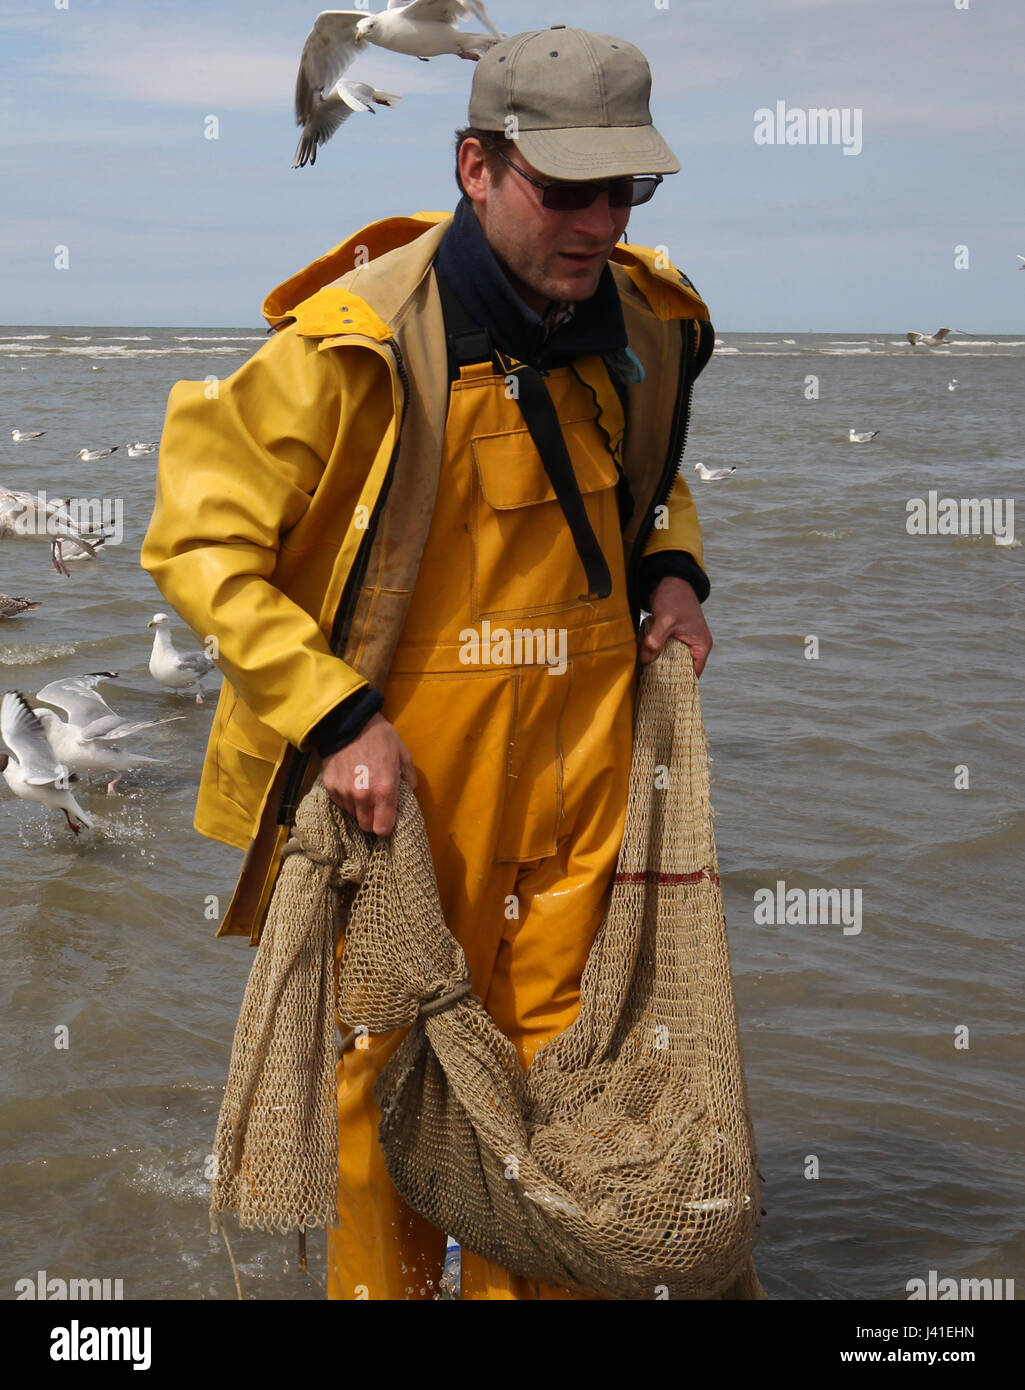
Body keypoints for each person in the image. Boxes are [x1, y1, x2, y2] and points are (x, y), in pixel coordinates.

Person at [142, 26, 717, 1300]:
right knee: (386, 1088)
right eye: (565, 188)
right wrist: (335, 717)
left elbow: (653, 482)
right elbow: (195, 540)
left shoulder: (639, 319)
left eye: (622, 190)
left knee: (568, 1090)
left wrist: (672, 570)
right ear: (474, 164)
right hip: (400, 797)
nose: (597, 223)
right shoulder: (348, 345)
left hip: (583, 789)